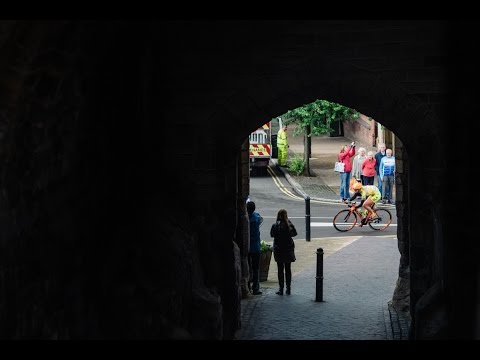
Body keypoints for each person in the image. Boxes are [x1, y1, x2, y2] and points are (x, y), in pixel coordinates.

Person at [270, 209, 297, 295]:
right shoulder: (289, 225)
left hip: (279, 250)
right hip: (288, 249)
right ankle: (288, 289)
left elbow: (272, 235)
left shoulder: (275, 225)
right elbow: (294, 234)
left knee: (280, 270)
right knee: (288, 269)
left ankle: (281, 289)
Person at [247, 201, 263, 295]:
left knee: (247, 267)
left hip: (246, 247)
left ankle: (247, 286)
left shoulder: (245, 219)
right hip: (255, 247)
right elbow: (260, 218)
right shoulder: (256, 218)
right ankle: (255, 288)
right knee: (256, 269)